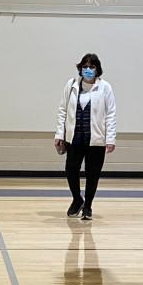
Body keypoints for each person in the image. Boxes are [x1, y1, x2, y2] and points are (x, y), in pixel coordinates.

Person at [54, 53, 116, 221]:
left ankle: (88, 205)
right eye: (85, 66)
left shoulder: (105, 88)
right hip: (75, 137)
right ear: (80, 68)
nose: (88, 70)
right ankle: (77, 199)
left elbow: (110, 114)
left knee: (92, 173)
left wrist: (110, 139)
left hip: (96, 139)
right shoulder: (71, 85)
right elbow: (63, 111)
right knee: (71, 170)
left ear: (97, 70)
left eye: (92, 67)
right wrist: (60, 134)